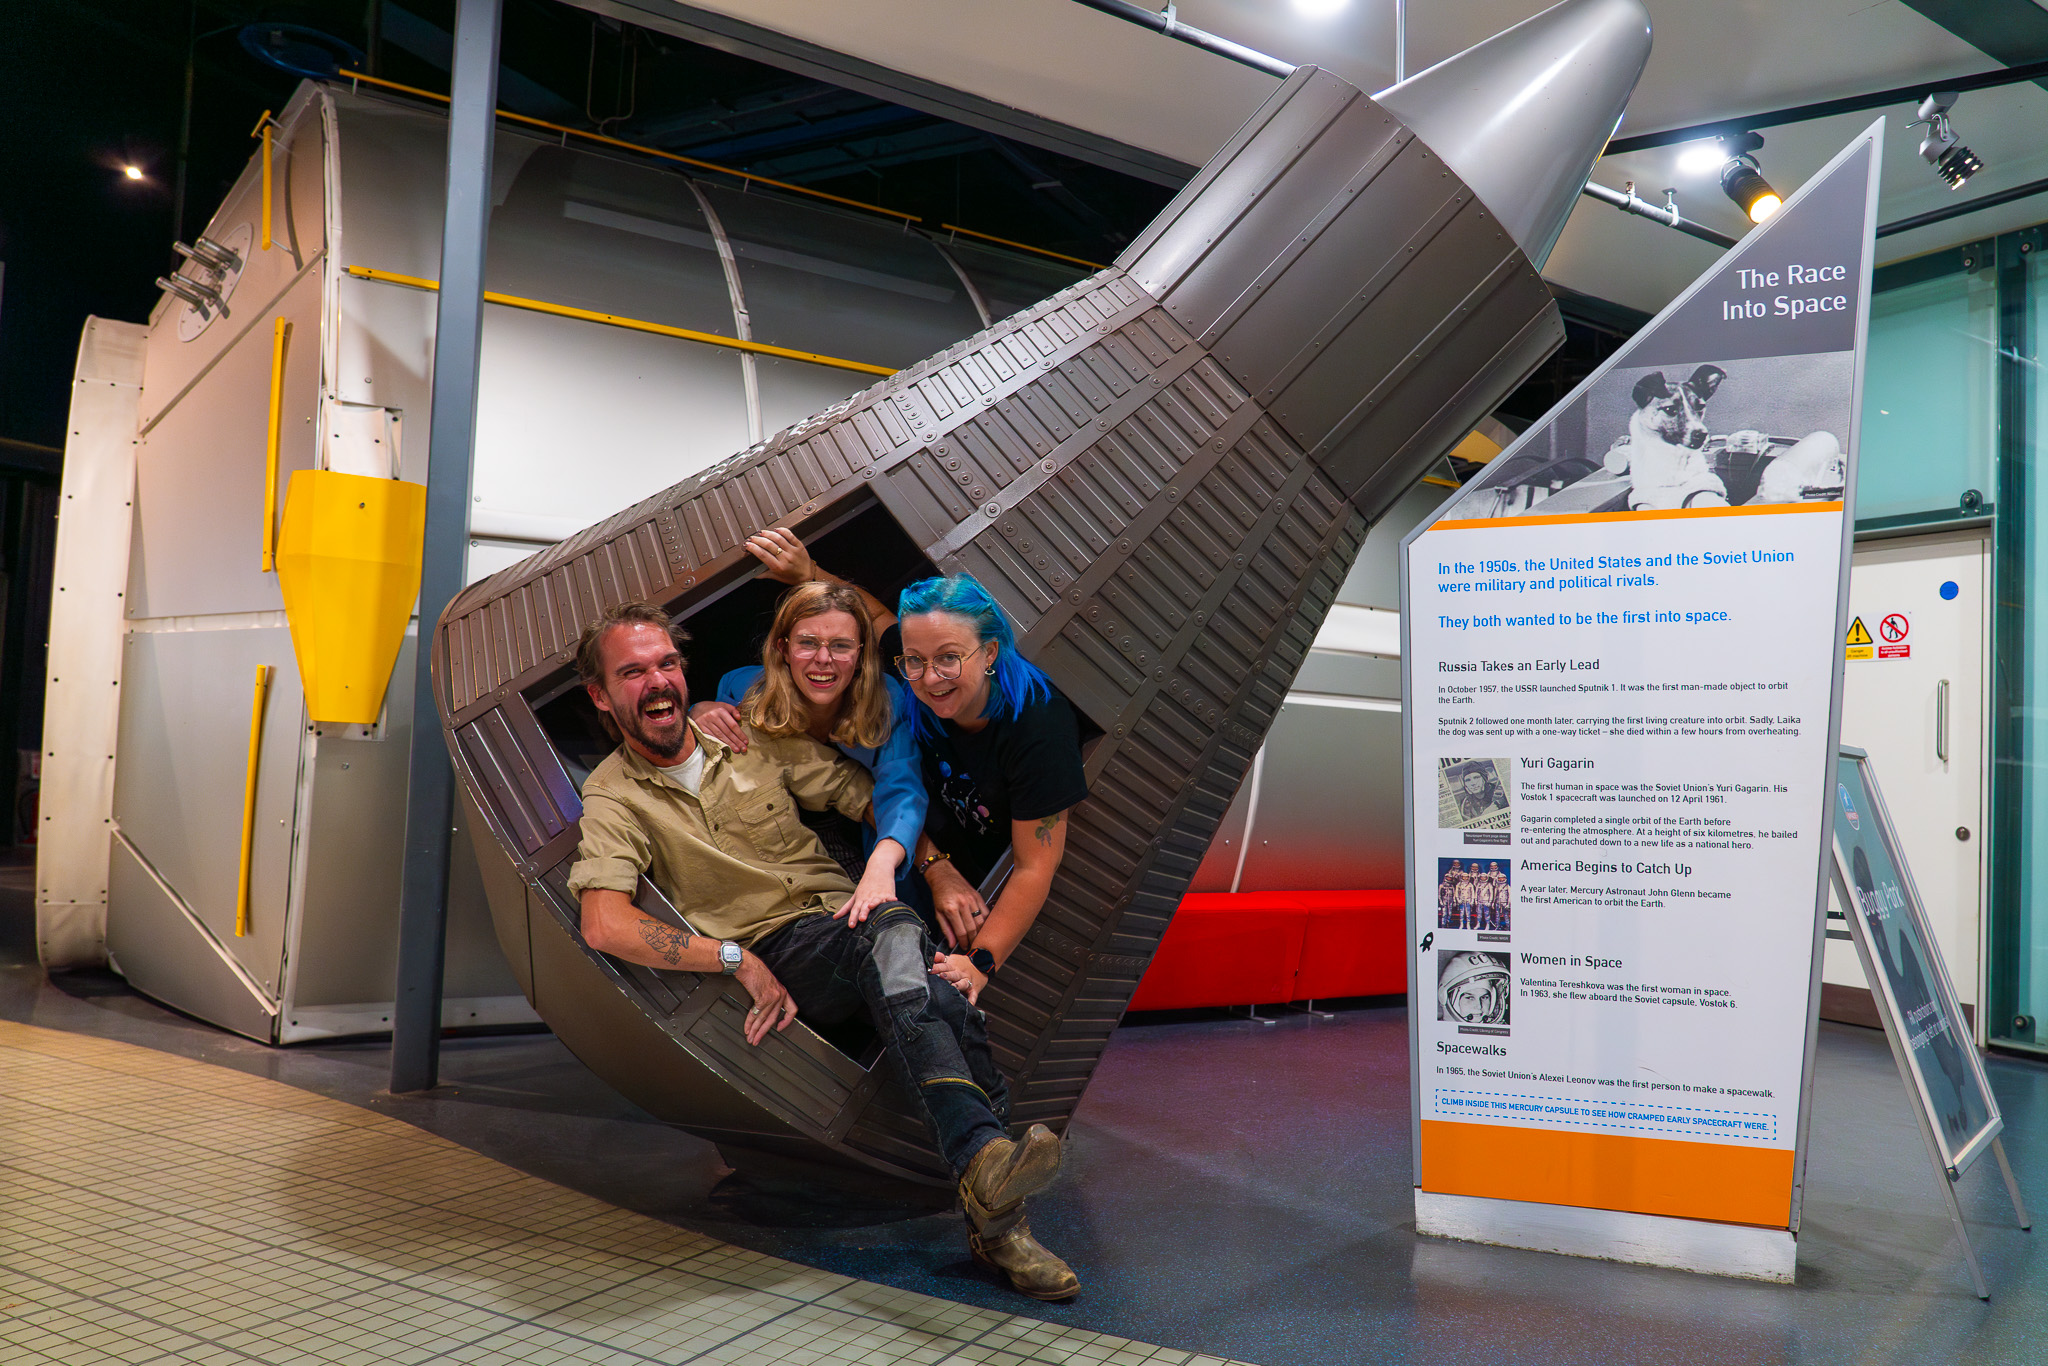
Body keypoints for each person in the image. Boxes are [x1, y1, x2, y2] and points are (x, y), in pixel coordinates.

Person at [564, 600, 1079, 1300]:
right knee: (894, 932)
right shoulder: (613, 797)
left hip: (848, 926)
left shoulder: (752, 738)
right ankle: (993, 1196)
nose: (657, 683)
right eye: (632, 672)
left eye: (667, 665)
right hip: (780, 951)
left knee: (938, 986)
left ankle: (995, 1199)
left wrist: (934, 863)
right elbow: (604, 923)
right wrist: (732, 959)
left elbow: (871, 796)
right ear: (600, 694)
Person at [896, 574, 1089, 999]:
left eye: (948, 657)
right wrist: (936, 868)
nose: (930, 678)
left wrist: (980, 963)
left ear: (989, 653)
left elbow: (1035, 866)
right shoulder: (914, 691)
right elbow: (877, 620)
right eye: (914, 659)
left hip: (987, 907)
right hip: (930, 871)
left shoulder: (1040, 725)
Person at [686, 578, 924, 923]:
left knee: (901, 914)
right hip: (780, 836)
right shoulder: (741, 690)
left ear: (860, 655)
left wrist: (882, 863)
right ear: (783, 648)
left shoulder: (886, 701)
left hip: (870, 828)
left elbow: (903, 791)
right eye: (807, 643)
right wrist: (697, 709)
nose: (823, 659)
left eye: (841, 645)